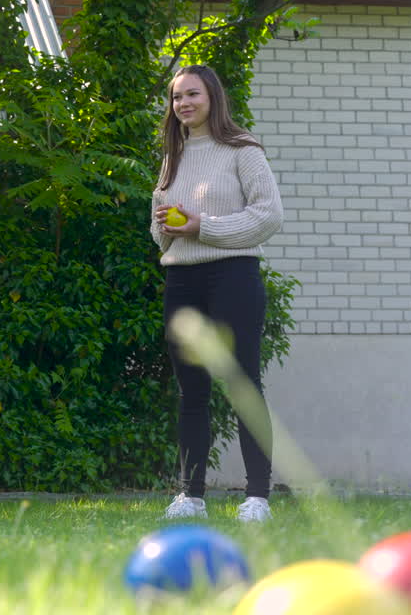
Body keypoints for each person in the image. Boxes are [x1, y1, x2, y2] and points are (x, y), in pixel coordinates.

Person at [150, 64, 283, 524]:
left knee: (243, 384)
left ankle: (258, 498)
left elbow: (268, 216)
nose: (183, 103)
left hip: (233, 277)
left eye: (192, 94)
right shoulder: (174, 157)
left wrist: (200, 226)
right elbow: (158, 229)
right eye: (176, 97)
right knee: (191, 392)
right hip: (182, 281)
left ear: (212, 97)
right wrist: (170, 227)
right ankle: (191, 496)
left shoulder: (242, 150)